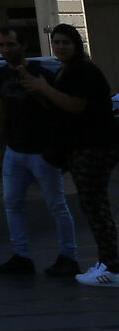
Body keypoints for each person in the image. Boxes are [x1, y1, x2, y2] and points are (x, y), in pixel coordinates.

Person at [29, 23, 119, 287]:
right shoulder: (68, 70)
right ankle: (107, 262)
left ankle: (111, 268)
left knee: (95, 205)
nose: (59, 47)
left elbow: (76, 105)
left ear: (76, 45)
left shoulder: (83, 70)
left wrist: (44, 89)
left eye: (65, 42)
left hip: (93, 146)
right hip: (85, 146)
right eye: (56, 42)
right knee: (93, 205)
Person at [0, 25, 81, 278]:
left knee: (57, 204)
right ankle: (21, 256)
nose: (5, 50)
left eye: (10, 45)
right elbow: (1, 112)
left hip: (42, 151)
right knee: (12, 203)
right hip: (14, 151)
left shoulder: (42, 74)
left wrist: (39, 89)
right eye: (1, 45)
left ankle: (69, 256)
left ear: (23, 45)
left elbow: (56, 110)